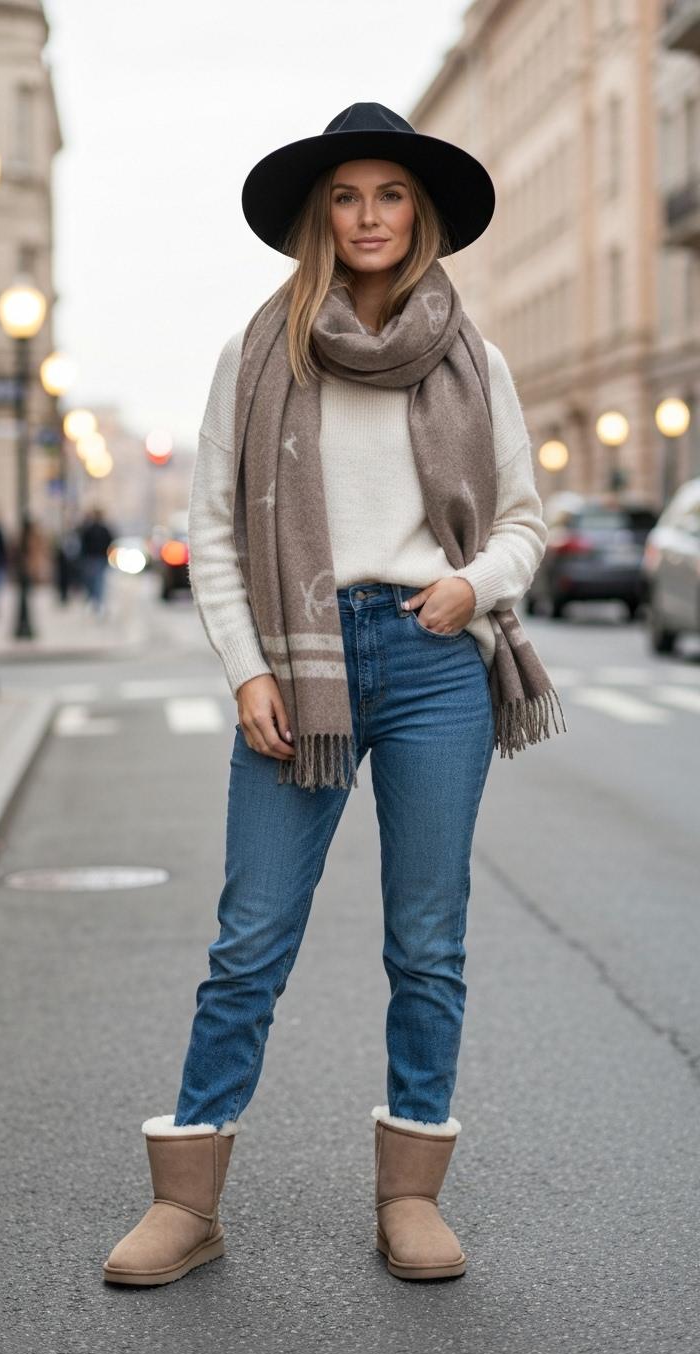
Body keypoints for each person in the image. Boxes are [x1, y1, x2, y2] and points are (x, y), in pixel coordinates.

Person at [103, 102, 566, 1288]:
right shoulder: (258, 353)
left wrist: (473, 587)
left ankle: (410, 1194)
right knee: (250, 935)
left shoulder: (476, 358)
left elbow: (524, 520)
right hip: (296, 668)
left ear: (420, 216)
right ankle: (189, 1196)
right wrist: (248, 667)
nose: (369, 216)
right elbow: (210, 531)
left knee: (428, 940)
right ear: (321, 218)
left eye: (391, 195)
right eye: (348, 197)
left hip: (429, 657)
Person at [78, 507, 113, 613]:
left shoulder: (100, 529)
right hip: (94, 558)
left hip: (96, 558)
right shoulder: (93, 529)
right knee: (95, 580)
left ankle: (96, 600)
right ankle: (95, 599)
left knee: (96, 580)